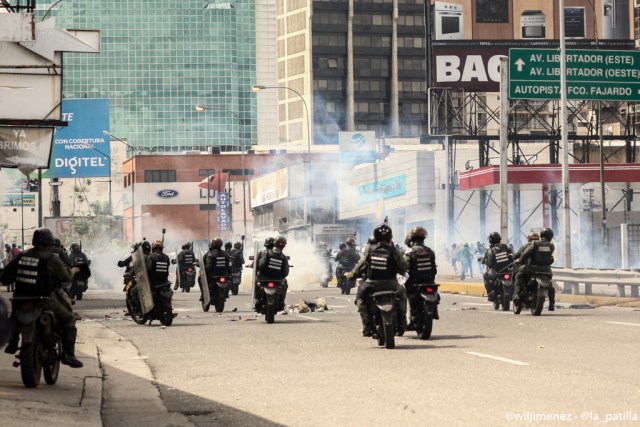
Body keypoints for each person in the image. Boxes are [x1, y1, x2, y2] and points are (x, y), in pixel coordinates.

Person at [0, 228, 83, 368]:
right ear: (50, 244)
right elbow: (66, 278)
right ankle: (68, 355)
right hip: (45, 301)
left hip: (20, 300)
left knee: (13, 316)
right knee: (69, 320)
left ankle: (13, 343)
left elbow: (4, 278)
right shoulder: (52, 258)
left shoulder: (22, 256)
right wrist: (74, 270)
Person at [347, 223, 408, 337]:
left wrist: (351, 276)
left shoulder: (370, 249)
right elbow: (403, 266)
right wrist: (401, 271)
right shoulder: (393, 250)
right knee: (402, 295)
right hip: (391, 284)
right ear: (390, 236)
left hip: (372, 284)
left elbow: (361, 265)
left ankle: (367, 325)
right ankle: (402, 323)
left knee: (360, 297)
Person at [403, 226, 438, 328]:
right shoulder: (430, 251)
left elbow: (404, 267)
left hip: (414, 284)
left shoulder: (409, 252)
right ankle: (434, 311)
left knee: (404, 295)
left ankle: (410, 319)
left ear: (412, 239)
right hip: (430, 282)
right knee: (435, 294)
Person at [513, 230, 555, 309]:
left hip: (532, 269)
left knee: (519, 276)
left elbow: (525, 253)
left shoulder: (535, 244)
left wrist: (520, 260)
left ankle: (517, 295)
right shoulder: (551, 246)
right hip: (547, 270)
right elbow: (549, 257)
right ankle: (552, 303)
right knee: (550, 285)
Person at [256, 236, 290, 312]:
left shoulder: (266, 253)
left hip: (264, 279)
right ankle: (281, 302)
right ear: (283, 245)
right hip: (277, 280)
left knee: (256, 283)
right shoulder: (283, 257)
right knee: (284, 284)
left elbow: (260, 266)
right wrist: (280, 277)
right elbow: (285, 272)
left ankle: (257, 300)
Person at [481, 232, 513, 302]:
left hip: (496, 272)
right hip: (509, 270)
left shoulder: (490, 251)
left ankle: (490, 293)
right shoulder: (507, 246)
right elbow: (513, 256)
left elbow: (489, 264)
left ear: (490, 240)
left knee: (485, 275)